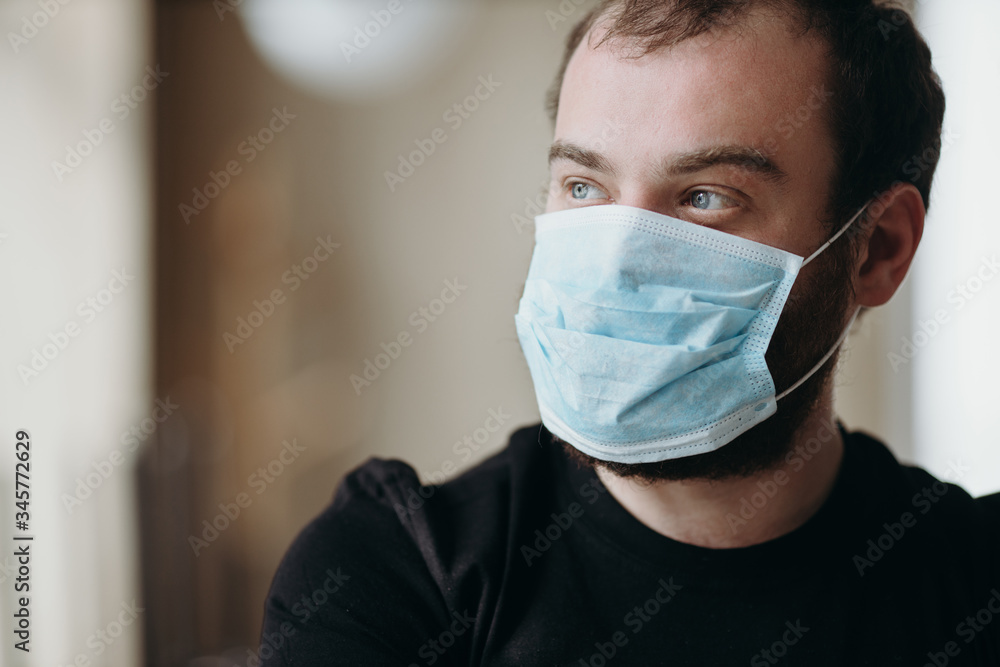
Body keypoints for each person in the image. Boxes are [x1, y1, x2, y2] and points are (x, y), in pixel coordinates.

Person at [258, 1, 1000, 664]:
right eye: (586, 187)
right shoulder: (394, 577)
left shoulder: (974, 588)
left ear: (877, 250)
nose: (618, 259)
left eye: (707, 195)